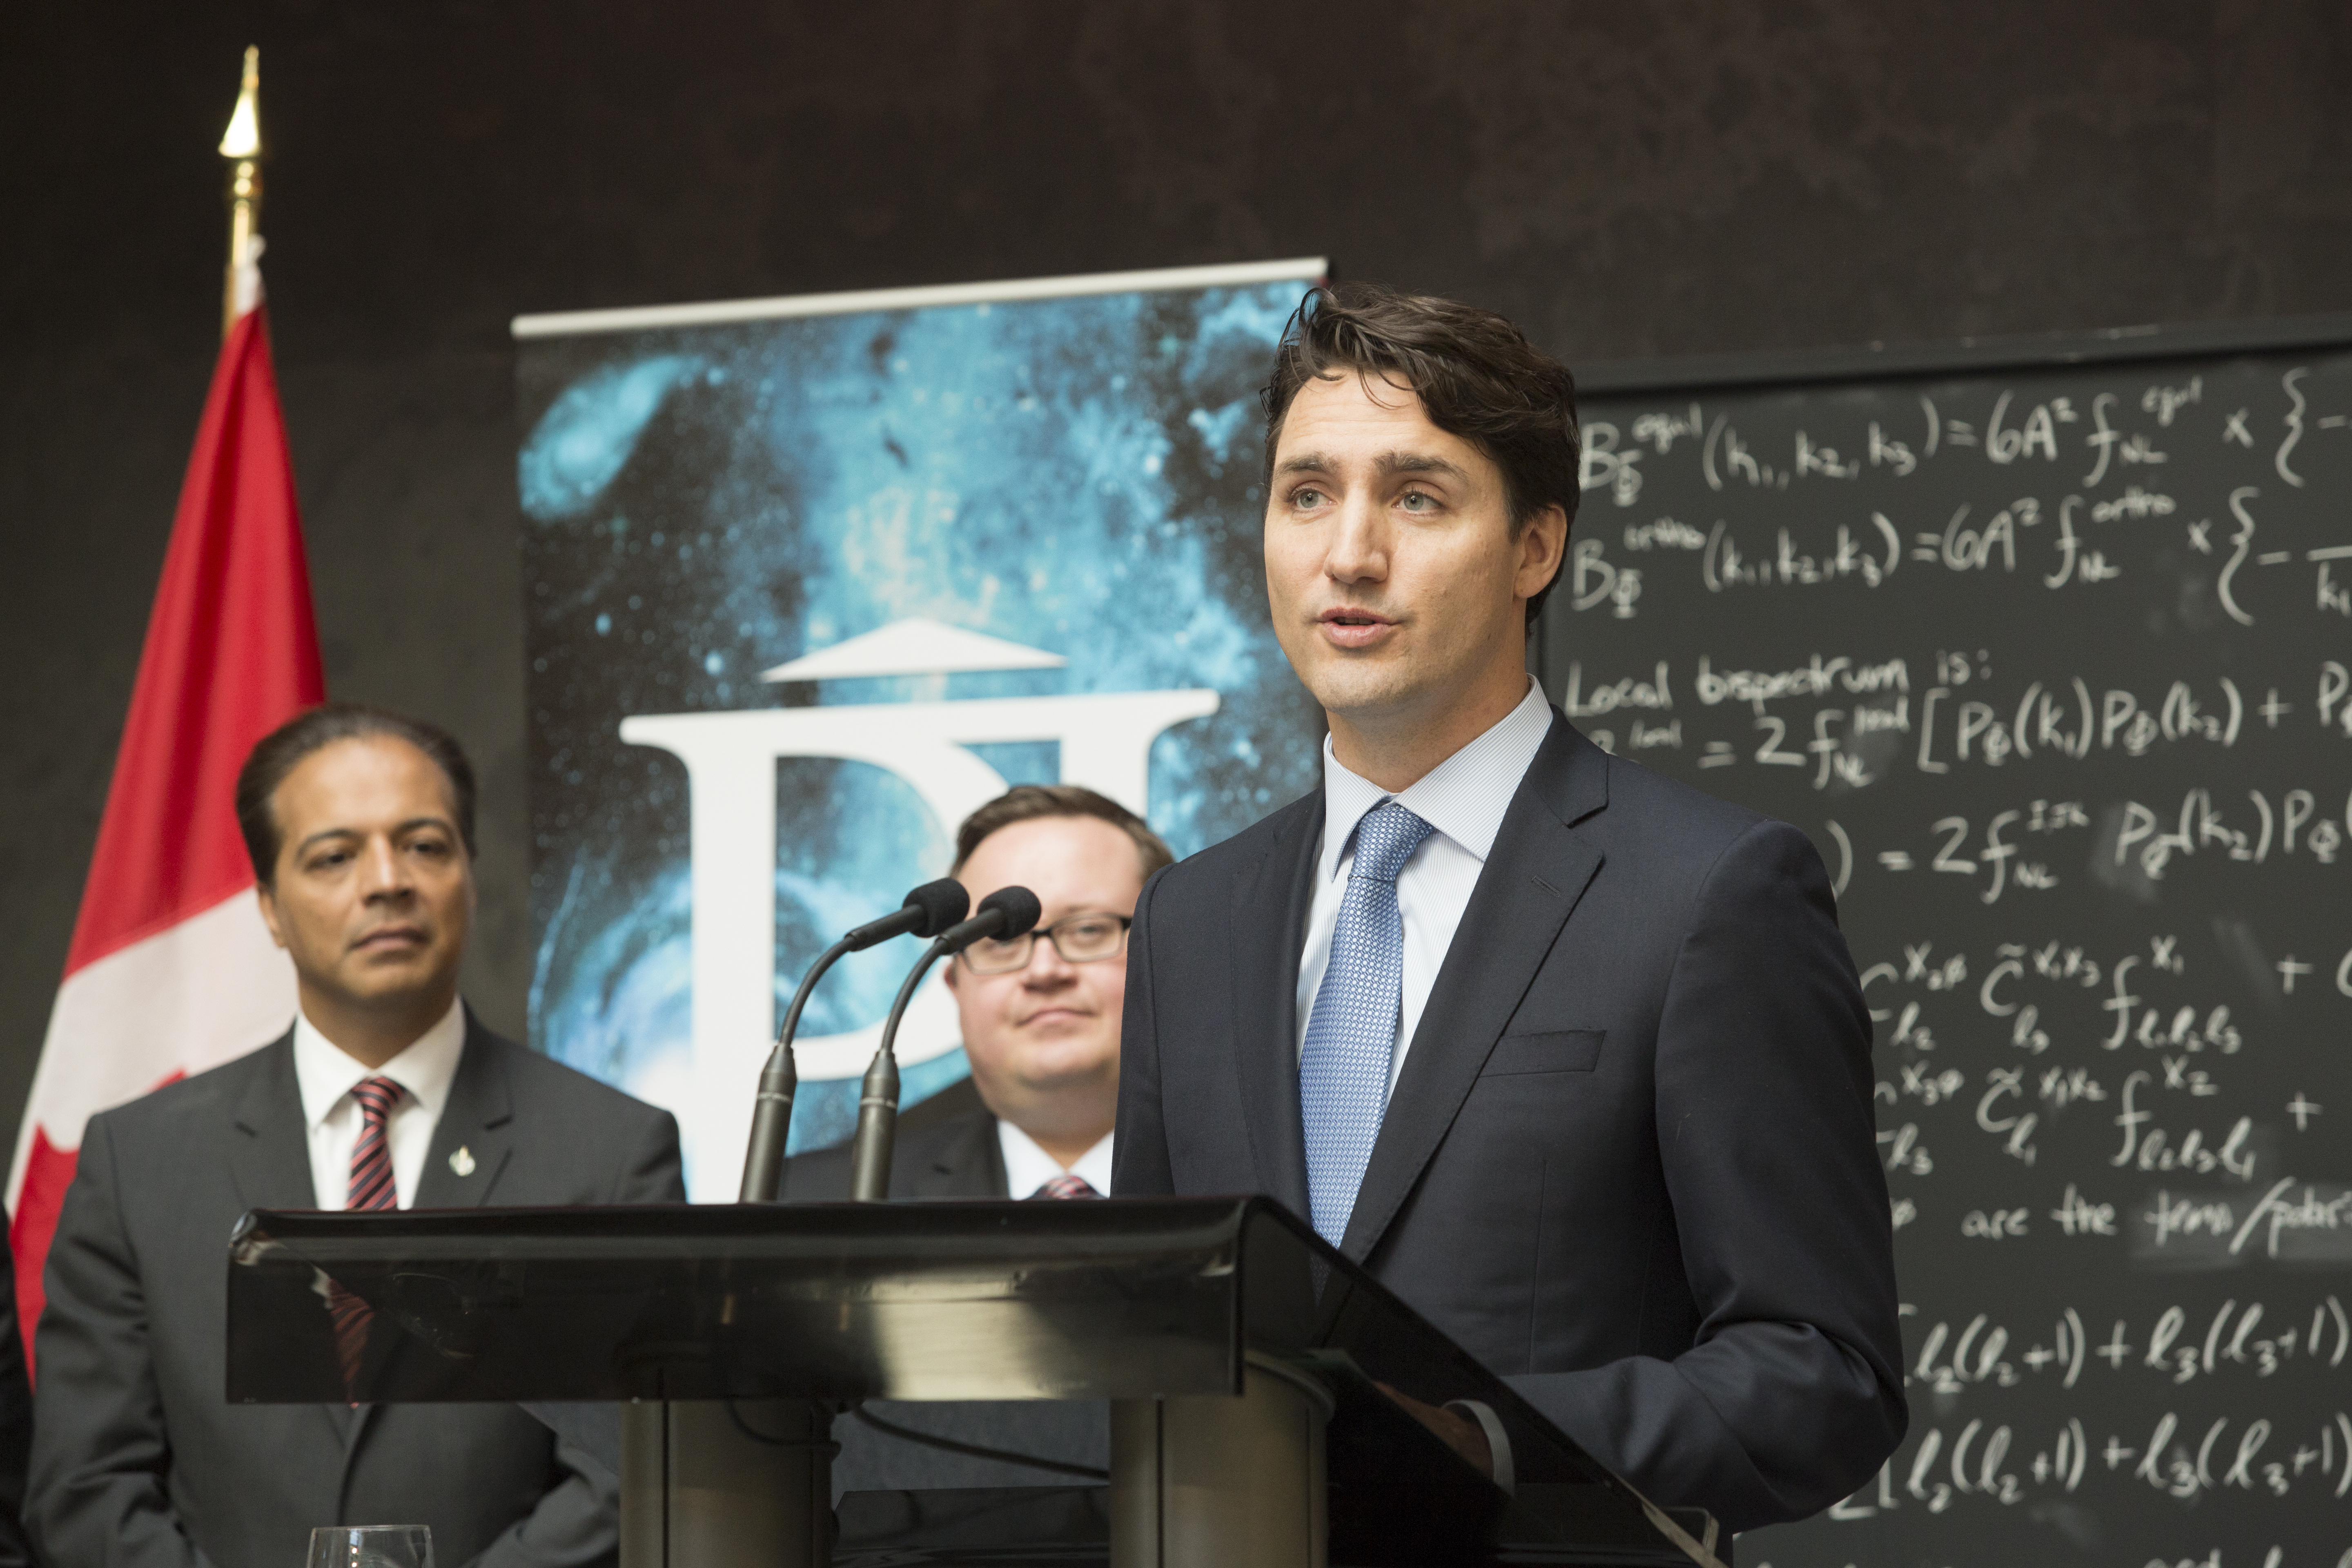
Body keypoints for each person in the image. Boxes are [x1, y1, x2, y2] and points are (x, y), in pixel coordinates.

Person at [1112, 284, 1907, 1532]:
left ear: (1537, 546)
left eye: (1417, 496)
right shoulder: (1188, 919)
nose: (1349, 552)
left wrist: (1486, 1437)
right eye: (1306, 492)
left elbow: (1822, 1369)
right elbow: (1151, 1348)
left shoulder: (1711, 890)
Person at [30, 704, 684, 1568]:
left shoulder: (609, 1150)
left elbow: (629, 1478)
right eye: (335, 856)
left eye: (425, 845)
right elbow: (87, 1490)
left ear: (471, 876)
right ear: (267, 906)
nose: (388, 880)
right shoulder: (138, 1162)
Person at [786, 784, 1171, 1200]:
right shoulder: (825, 1201)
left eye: (1088, 930)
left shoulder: (1248, 1179)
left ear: (1176, 960)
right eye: (1001, 940)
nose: (1044, 971)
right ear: (956, 987)